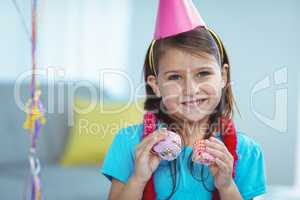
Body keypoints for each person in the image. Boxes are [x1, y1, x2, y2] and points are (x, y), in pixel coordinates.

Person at [101, 0, 267, 199]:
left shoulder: (246, 152)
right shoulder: (129, 143)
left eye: (203, 73)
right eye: (175, 77)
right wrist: (138, 178)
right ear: (156, 85)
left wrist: (226, 186)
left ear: (223, 76)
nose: (190, 89)